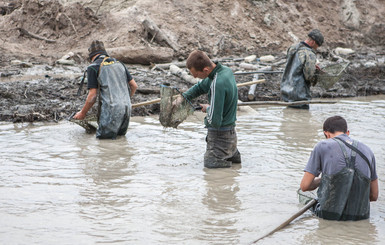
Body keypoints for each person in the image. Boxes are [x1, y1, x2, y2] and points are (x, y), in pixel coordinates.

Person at [300, 116, 378, 221]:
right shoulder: (368, 150)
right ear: (348, 133)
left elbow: (305, 186)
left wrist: (323, 180)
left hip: (329, 215)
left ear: (326, 134)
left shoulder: (322, 146)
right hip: (361, 216)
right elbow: (374, 196)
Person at [173, 50, 241, 168]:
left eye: (196, 74)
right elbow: (200, 87)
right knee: (234, 167)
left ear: (205, 70)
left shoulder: (217, 83)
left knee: (211, 168)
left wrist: (208, 108)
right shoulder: (225, 71)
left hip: (220, 136)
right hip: (231, 135)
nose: (194, 77)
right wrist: (182, 98)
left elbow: (215, 121)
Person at [73, 40, 138, 139]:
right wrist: (124, 101)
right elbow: (134, 86)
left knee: (104, 142)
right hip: (126, 109)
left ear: (91, 56)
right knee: (120, 139)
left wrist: (82, 113)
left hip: (111, 111)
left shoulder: (93, 67)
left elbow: (92, 96)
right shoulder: (119, 63)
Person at [280, 29, 324, 109]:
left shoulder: (292, 48)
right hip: (300, 95)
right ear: (313, 42)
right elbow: (309, 76)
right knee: (302, 116)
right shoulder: (309, 54)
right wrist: (315, 71)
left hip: (286, 92)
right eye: (317, 46)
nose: (316, 48)